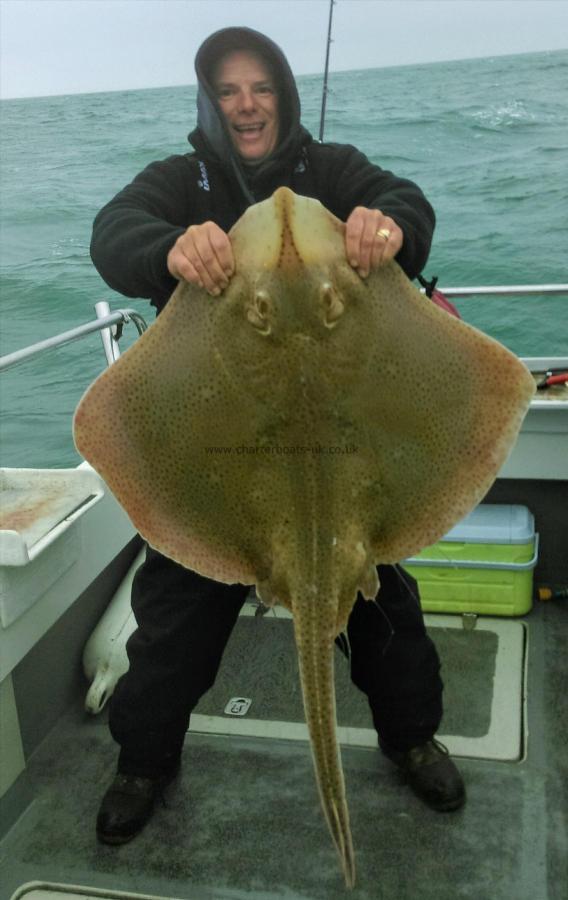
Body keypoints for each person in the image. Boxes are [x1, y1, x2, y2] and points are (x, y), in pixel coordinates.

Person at [91, 26, 465, 846]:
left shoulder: (330, 170)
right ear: (209, 101)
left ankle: (412, 737)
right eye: (228, 90)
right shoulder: (178, 181)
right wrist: (169, 249)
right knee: (171, 628)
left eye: (260, 87)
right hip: (224, 459)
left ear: (284, 95)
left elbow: (409, 201)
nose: (246, 104)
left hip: (349, 452)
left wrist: (389, 228)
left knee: (384, 608)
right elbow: (114, 234)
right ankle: (144, 761)